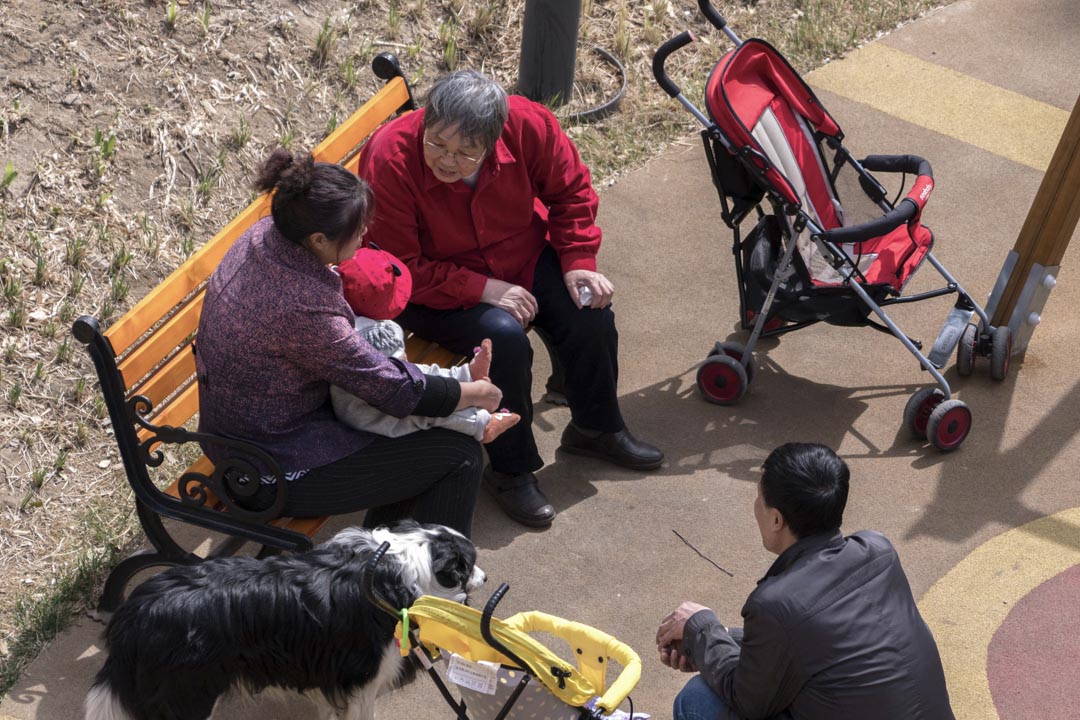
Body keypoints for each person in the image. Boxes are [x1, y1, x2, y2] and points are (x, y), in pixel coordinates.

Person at [354, 69, 664, 528]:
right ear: (426, 120)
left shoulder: (529, 124)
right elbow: (399, 265)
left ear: (496, 136)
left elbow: (571, 191)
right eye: (437, 143)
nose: (447, 160)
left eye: (466, 152)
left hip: (522, 253)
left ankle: (596, 428)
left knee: (590, 313)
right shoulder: (390, 158)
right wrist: (482, 289)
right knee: (502, 342)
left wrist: (579, 258)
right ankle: (510, 470)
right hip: (433, 284)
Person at [194, 148, 504, 538]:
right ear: (319, 238)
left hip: (241, 431)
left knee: (414, 445)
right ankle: (431, 586)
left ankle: (378, 568)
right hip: (270, 467)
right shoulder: (300, 306)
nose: (365, 236)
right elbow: (390, 389)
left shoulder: (266, 236)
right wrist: (473, 392)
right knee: (456, 455)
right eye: (357, 231)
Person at [655, 443, 954, 720]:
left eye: (759, 499)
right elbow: (809, 644)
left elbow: (748, 700)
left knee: (696, 700)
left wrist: (702, 626)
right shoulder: (878, 550)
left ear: (776, 520)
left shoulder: (776, 605)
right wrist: (711, 640)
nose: (755, 505)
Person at [331, 246, 520, 444]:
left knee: (416, 374)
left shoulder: (336, 309)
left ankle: (464, 374)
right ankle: (481, 424)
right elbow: (400, 387)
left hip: (373, 390)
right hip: (370, 413)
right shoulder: (377, 335)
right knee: (428, 414)